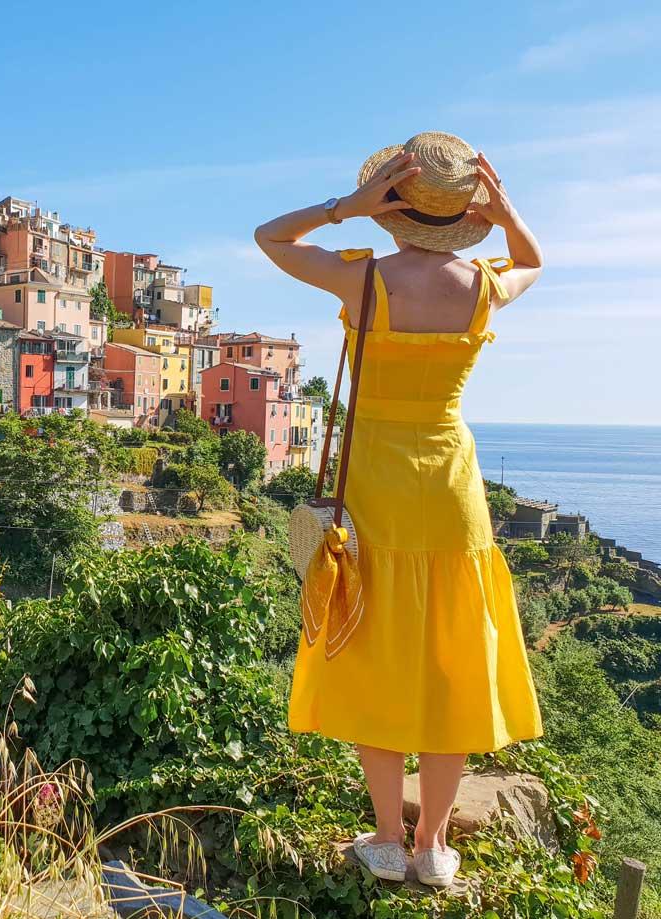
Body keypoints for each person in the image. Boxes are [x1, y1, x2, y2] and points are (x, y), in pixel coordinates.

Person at [253, 132, 545, 888]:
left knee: (375, 648)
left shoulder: (364, 280)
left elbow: (269, 237)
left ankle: (386, 838)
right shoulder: (482, 284)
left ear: (396, 204)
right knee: (450, 662)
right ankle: (434, 846)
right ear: (464, 214)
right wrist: (507, 212)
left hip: (374, 484)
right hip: (451, 488)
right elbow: (535, 262)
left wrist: (343, 209)